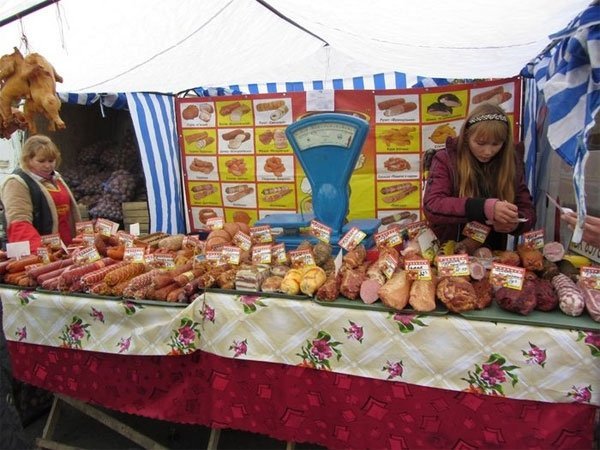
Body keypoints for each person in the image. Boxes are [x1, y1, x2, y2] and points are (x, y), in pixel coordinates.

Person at [423, 103, 536, 250]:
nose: (488, 151)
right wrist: (484, 208)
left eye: (496, 144)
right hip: (448, 252)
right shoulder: (446, 159)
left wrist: (515, 223)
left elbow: (528, 211)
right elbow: (432, 205)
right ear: (466, 136)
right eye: (480, 143)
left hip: (493, 255)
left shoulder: (511, 162)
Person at [0, 134, 80, 252]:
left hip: (66, 247)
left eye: (51, 161)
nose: (47, 166)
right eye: (41, 161)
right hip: (40, 249)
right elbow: (19, 224)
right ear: (28, 160)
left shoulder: (56, 178)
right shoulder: (16, 183)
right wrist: (41, 252)